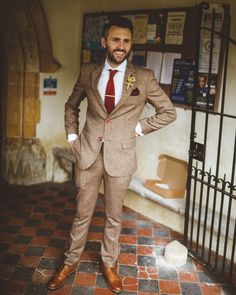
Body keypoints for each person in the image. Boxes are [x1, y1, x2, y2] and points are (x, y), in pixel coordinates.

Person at [48, 16, 176, 293]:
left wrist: (139, 129)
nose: (121, 46)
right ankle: (70, 262)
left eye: (126, 41)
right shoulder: (88, 72)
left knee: (113, 217)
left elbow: (168, 112)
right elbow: (71, 106)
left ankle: (109, 264)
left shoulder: (143, 77)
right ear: (104, 41)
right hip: (88, 154)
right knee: (82, 214)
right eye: (116, 40)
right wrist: (73, 138)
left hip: (121, 157)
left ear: (131, 44)